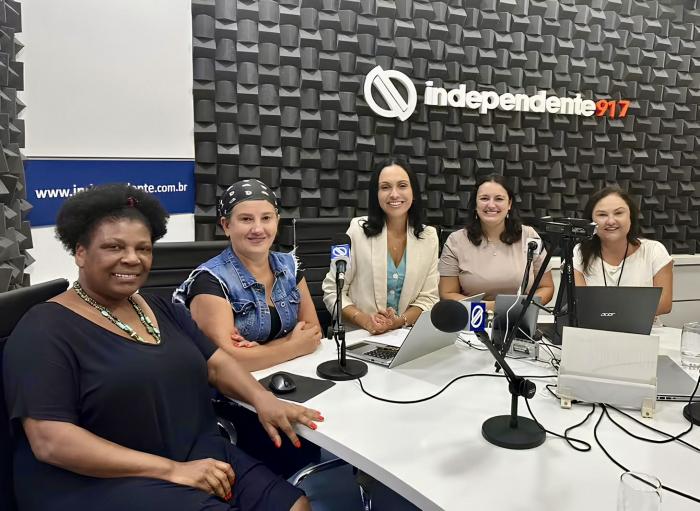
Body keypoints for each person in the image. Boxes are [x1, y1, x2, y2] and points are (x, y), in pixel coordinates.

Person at [3, 184, 321, 511]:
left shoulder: (160, 307)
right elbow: (50, 441)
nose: (131, 258)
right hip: (97, 480)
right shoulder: (43, 328)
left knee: (296, 505)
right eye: (114, 247)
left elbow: (216, 363)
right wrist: (170, 470)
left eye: (143, 248)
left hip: (194, 452)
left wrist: (262, 399)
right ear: (80, 252)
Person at [173, 179, 322, 373]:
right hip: (234, 388)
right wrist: (294, 346)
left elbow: (313, 332)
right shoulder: (208, 281)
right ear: (226, 225)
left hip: (293, 374)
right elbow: (225, 361)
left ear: (277, 221)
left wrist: (261, 352)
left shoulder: (290, 266)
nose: (258, 229)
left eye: (266, 218)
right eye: (246, 219)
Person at [322, 157, 439, 334]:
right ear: (376, 194)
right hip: (361, 336)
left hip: (405, 336)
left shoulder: (429, 237)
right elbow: (333, 292)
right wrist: (365, 320)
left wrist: (398, 321)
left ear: (413, 192)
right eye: (385, 187)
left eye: (402, 186)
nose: (394, 194)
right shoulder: (356, 230)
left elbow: (429, 298)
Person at [438, 174, 554, 310]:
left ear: (509, 204)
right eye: (484, 198)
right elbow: (447, 293)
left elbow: (546, 287)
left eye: (499, 199)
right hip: (473, 319)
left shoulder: (529, 236)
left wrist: (521, 308)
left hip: (519, 319)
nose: (491, 205)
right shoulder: (456, 241)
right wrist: (490, 307)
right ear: (475, 204)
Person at [573, 186, 673, 315]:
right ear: (591, 221)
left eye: (618, 213)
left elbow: (664, 305)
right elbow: (580, 304)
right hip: (594, 327)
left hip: (644, 327)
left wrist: (609, 311)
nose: (611, 221)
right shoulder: (579, 252)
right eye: (602, 215)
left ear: (631, 216)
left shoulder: (654, 251)